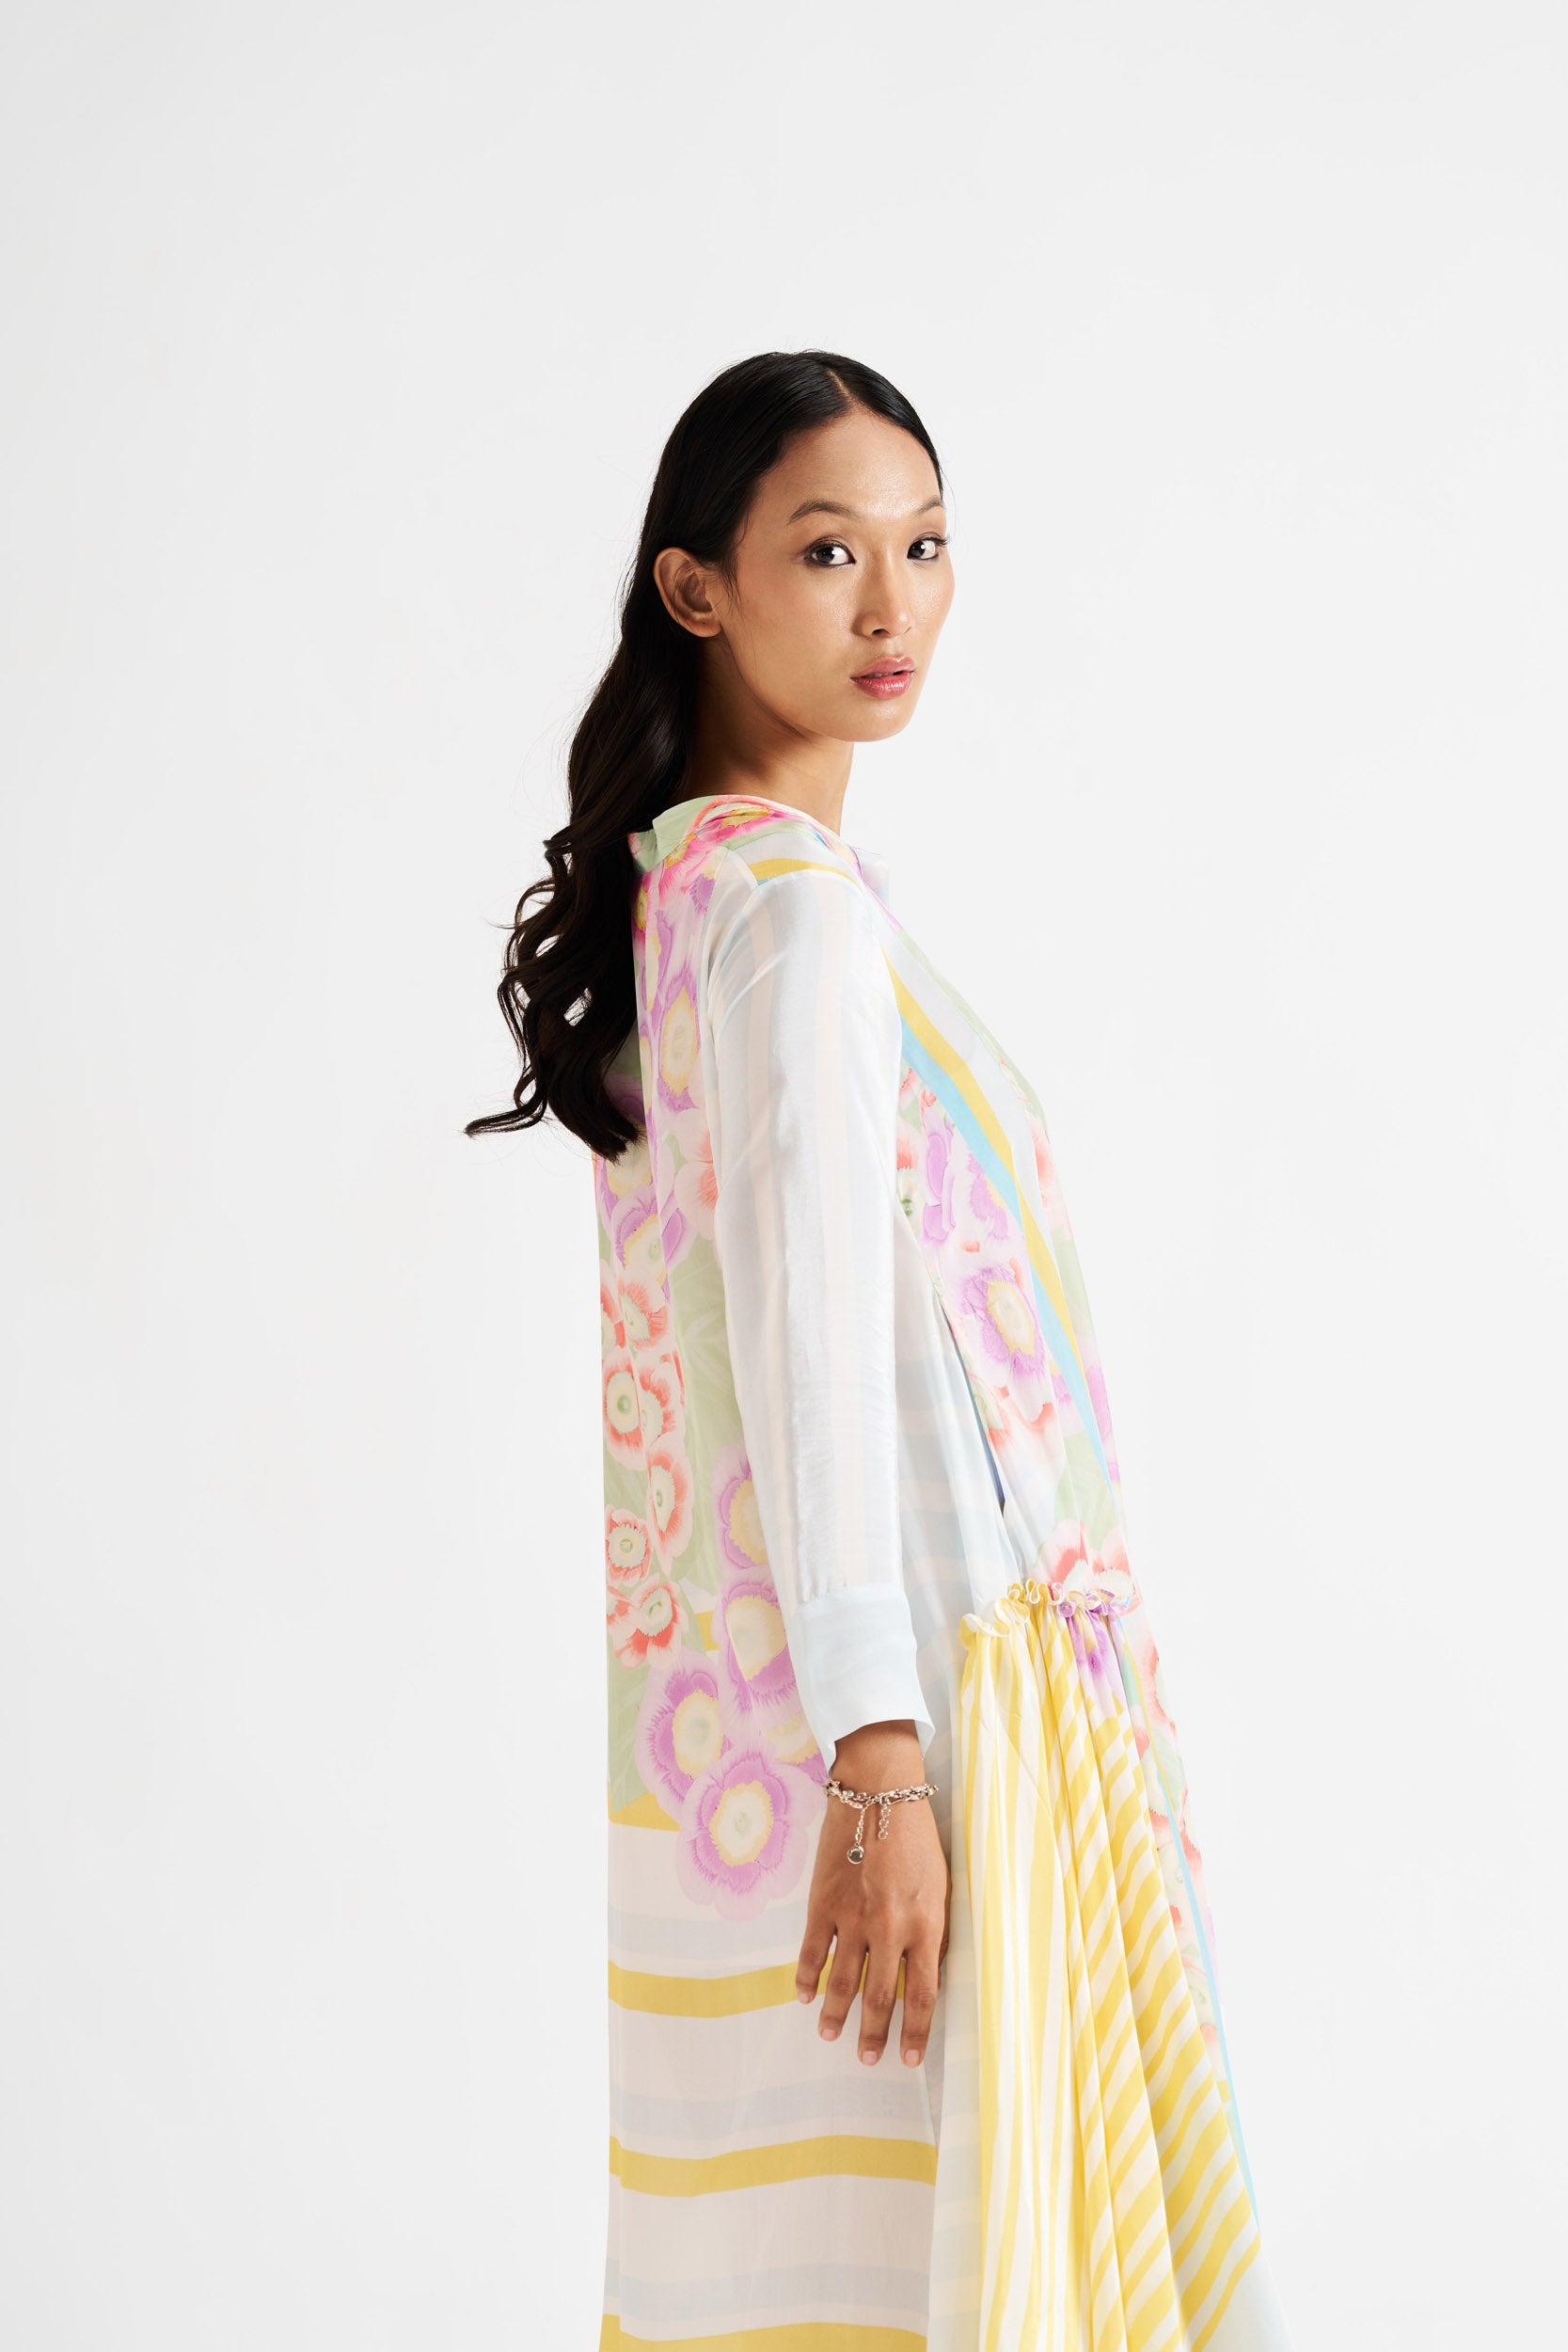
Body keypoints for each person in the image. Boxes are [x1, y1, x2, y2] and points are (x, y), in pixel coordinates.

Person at [468, 352, 1293, 2350]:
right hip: (905, 1730)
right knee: (968, 2263)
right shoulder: (792, 921)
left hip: (750, 1753)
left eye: (925, 548)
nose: (892, 604)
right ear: (696, 587)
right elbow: (813, 1353)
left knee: (804, 2276)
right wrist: (884, 1763)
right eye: (829, 550)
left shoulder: (700, 896)